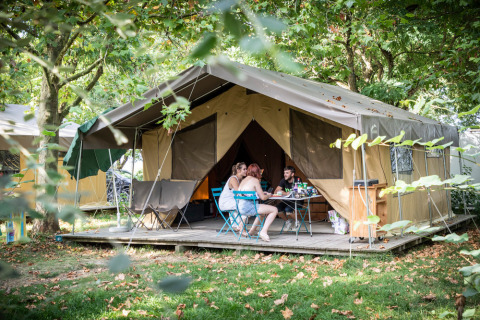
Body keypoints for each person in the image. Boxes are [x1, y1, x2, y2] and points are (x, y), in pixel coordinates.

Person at [237, 163, 278, 242]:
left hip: (240, 207)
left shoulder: (243, 180)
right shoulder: (255, 180)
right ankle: (263, 231)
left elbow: (248, 193)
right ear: (257, 172)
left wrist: (262, 193)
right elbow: (263, 197)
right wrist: (268, 195)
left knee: (262, 213)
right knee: (274, 210)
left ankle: (251, 232)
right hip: (249, 207)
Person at [218, 162, 247, 230]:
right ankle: (240, 226)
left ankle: (239, 226)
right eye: (244, 169)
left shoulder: (240, 180)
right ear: (239, 170)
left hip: (232, 201)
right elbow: (239, 192)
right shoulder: (233, 179)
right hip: (225, 202)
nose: (246, 171)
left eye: (246, 169)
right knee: (244, 205)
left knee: (244, 204)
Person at [274, 166, 302, 231]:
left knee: (288, 209)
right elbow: (276, 191)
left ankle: (297, 222)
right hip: (287, 200)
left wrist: (282, 192)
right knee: (276, 209)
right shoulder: (283, 180)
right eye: (284, 173)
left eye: (287, 173)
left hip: (297, 201)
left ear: (292, 174)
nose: (285, 175)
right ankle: (287, 222)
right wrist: (285, 193)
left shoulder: (297, 179)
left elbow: (298, 192)